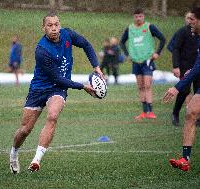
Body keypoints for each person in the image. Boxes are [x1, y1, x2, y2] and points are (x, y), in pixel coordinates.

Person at [9, 12, 103, 174]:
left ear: (60, 25)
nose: (54, 28)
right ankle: (13, 153)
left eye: (56, 24)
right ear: (43, 28)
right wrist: (83, 86)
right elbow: (57, 77)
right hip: (39, 88)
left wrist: (96, 67)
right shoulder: (42, 50)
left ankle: (36, 160)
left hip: (57, 89)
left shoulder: (67, 34)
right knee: (25, 129)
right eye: (50, 25)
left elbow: (86, 44)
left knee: (53, 116)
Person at [163, 6, 200, 172]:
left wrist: (176, 88)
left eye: (193, 20)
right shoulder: (196, 36)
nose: (189, 23)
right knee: (191, 112)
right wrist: (191, 70)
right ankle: (185, 159)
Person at [120, 8, 166, 119]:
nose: (138, 18)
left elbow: (163, 39)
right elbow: (122, 41)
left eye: (140, 16)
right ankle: (144, 112)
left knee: (147, 85)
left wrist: (157, 53)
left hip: (148, 60)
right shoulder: (130, 29)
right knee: (140, 86)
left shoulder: (150, 27)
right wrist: (127, 55)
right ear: (133, 17)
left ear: (143, 16)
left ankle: (150, 111)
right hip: (136, 61)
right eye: (136, 16)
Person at [167, 12, 200, 127]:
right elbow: (174, 48)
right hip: (185, 66)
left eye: (193, 18)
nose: (190, 21)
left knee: (198, 90)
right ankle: (175, 113)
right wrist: (176, 66)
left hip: (197, 66)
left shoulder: (198, 32)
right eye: (188, 18)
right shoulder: (182, 32)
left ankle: (198, 117)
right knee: (184, 90)